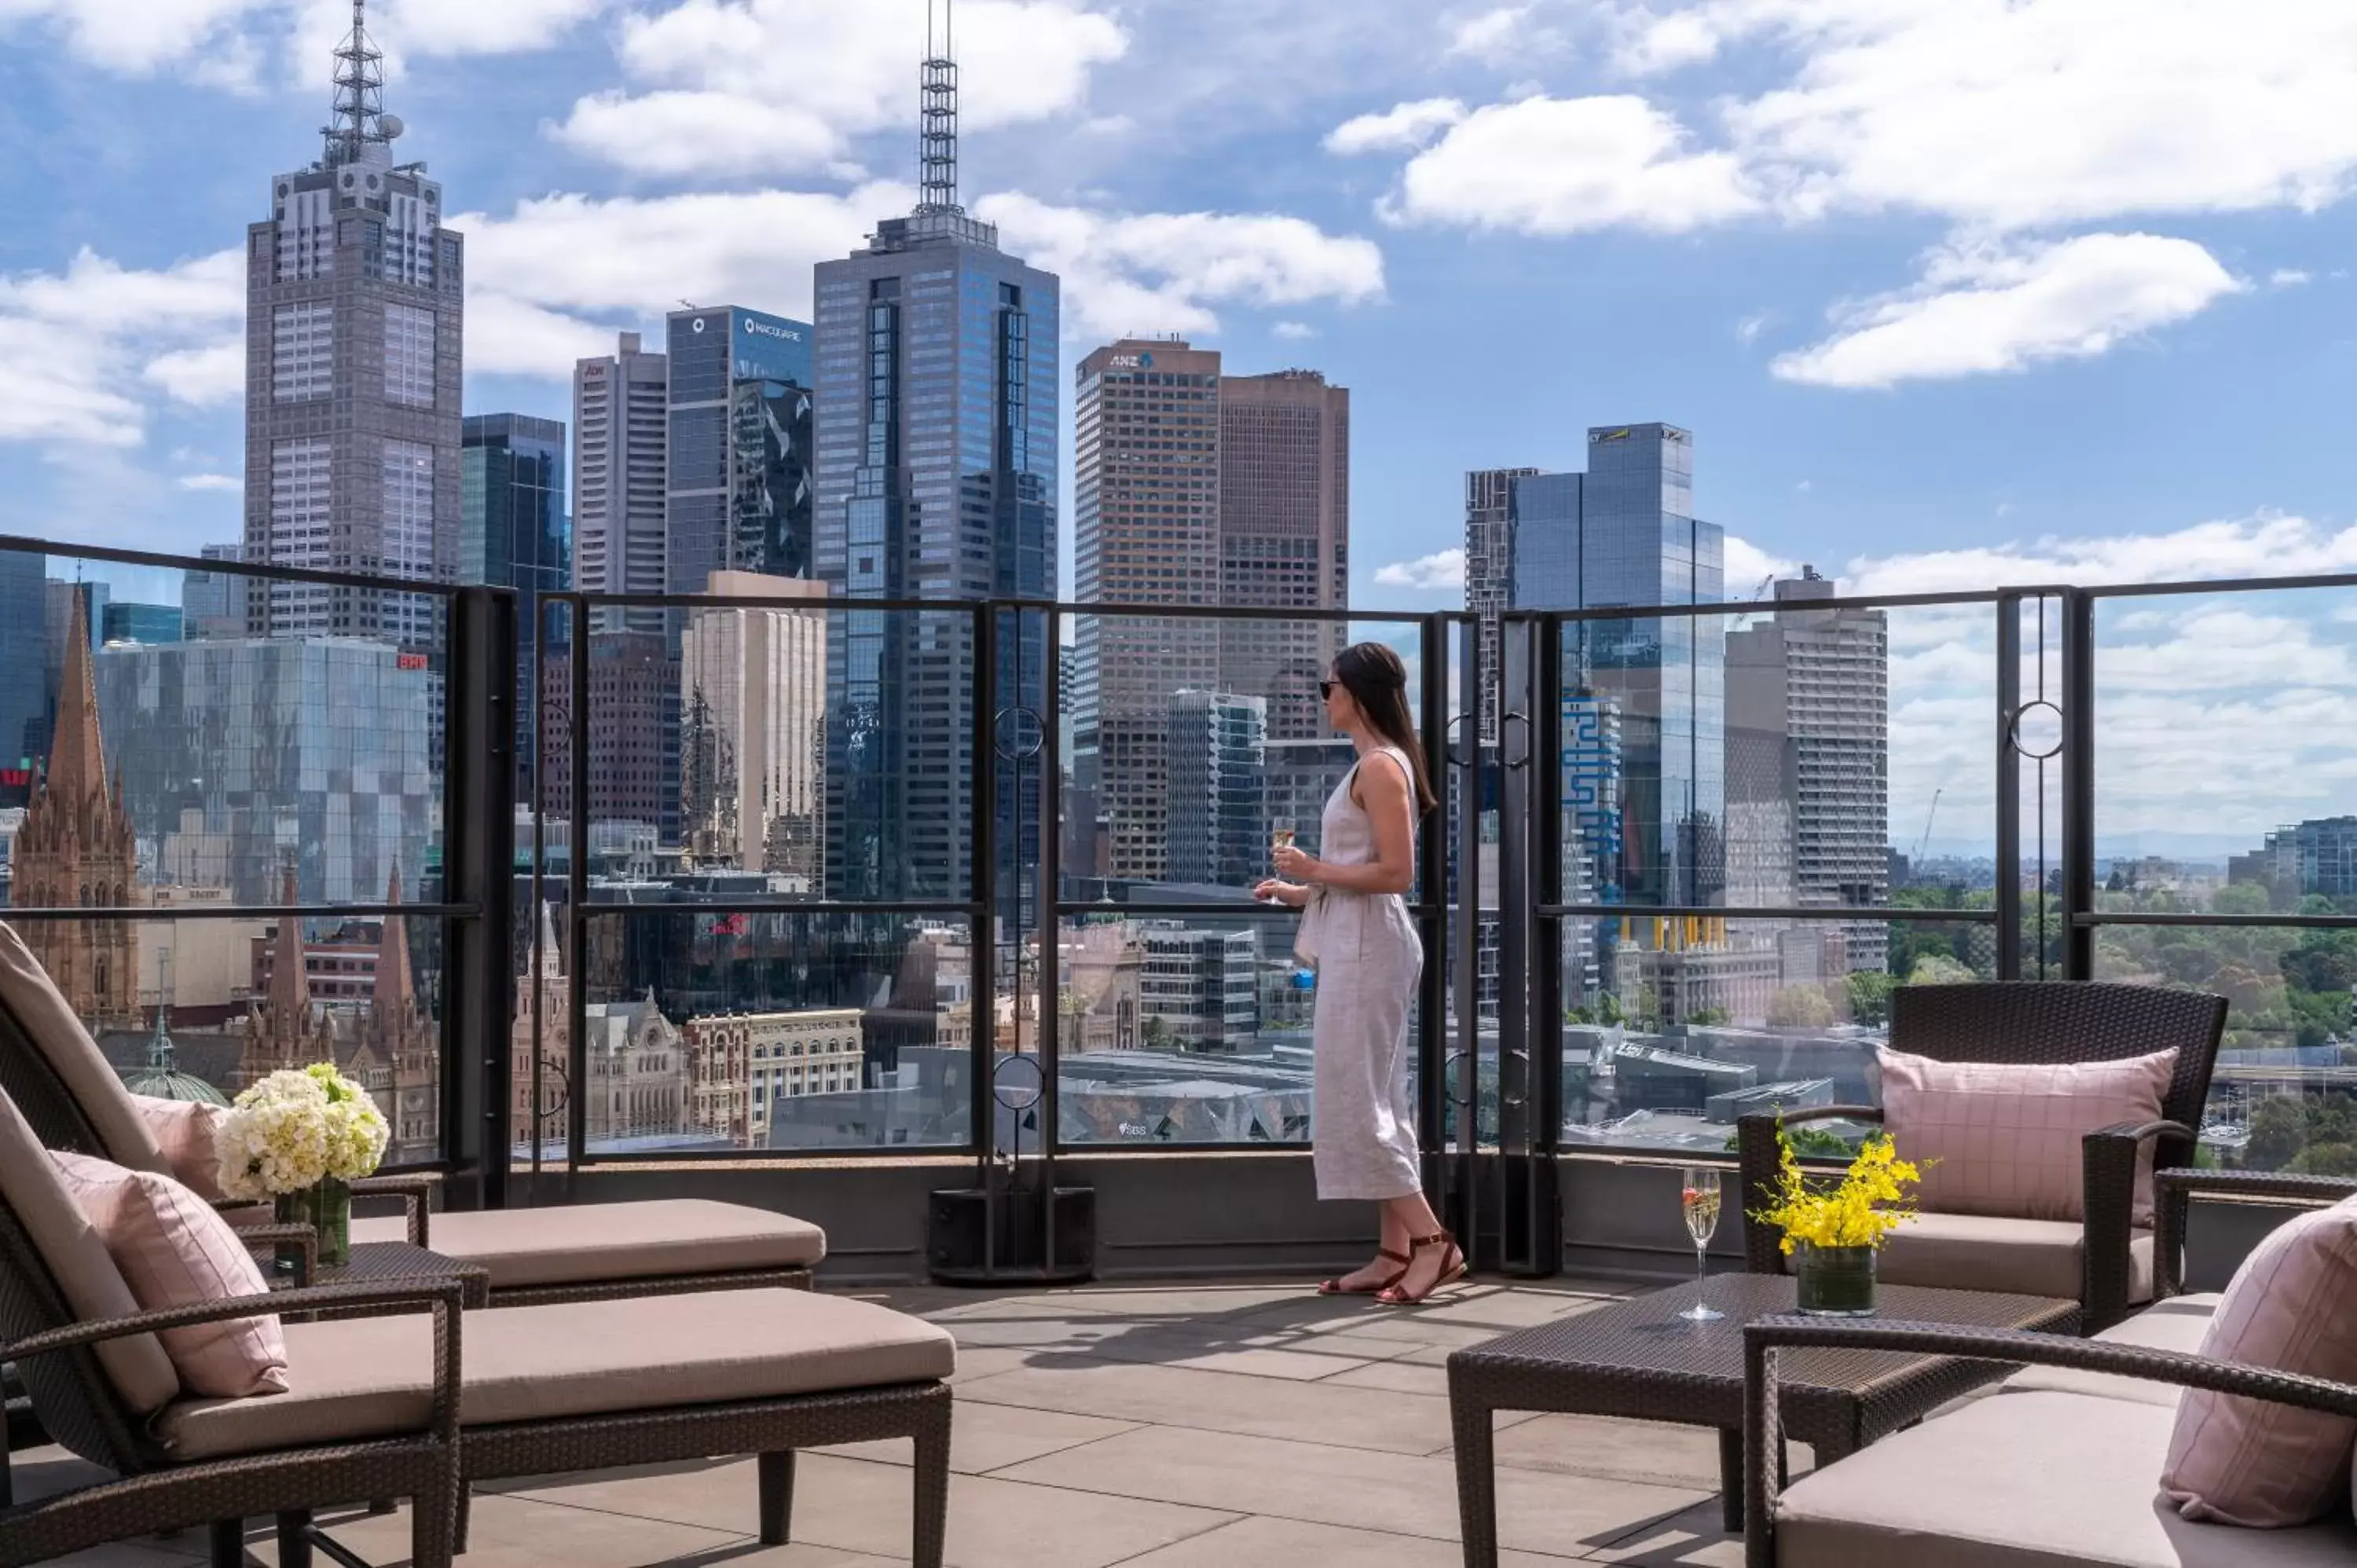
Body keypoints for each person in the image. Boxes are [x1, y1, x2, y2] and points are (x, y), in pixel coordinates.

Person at [1255, 642, 1464, 1305]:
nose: (1324, 698)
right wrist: (1300, 893)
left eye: (1329, 687)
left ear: (1357, 694)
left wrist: (1314, 872)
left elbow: (1397, 875)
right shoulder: (1373, 765)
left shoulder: (1379, 767)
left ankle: (1435, 1245)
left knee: (1356, 1099)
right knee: (1380, 1100)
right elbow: (1364, 871)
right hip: (1360, 941)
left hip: (1371, 948)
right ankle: (1391, 1252)